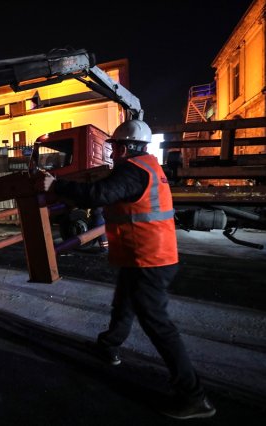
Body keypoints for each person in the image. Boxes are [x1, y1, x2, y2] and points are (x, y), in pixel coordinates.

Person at [33, 119, 215, 420]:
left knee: (157, 323)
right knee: (124, 302)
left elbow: (98, 195)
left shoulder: (132, 171)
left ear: (126, 147)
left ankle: (194, 396)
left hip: (149, 259)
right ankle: (109, 345)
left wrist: (57, 185)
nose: (111, 153)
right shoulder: (146, 166)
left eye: (115, 147)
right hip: (144, 256)